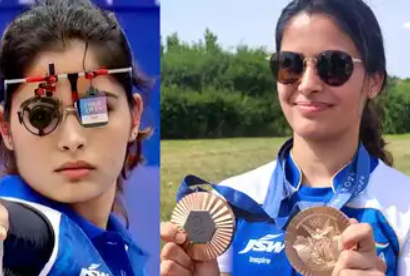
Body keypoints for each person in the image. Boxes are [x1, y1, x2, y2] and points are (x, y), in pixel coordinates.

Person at [160, 0, 410, 275]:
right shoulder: (231, 202)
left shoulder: (403, 207)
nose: (308, 84)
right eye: (290, 65)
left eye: (334, 66)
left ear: (374, 81)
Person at [0, 0, 153, 275]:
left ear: (134, 116)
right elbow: (26, 233)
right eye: (41, 115)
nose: (73, 138)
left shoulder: (122, 249)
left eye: (96, 109)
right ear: (5, 127)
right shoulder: (12, 242)